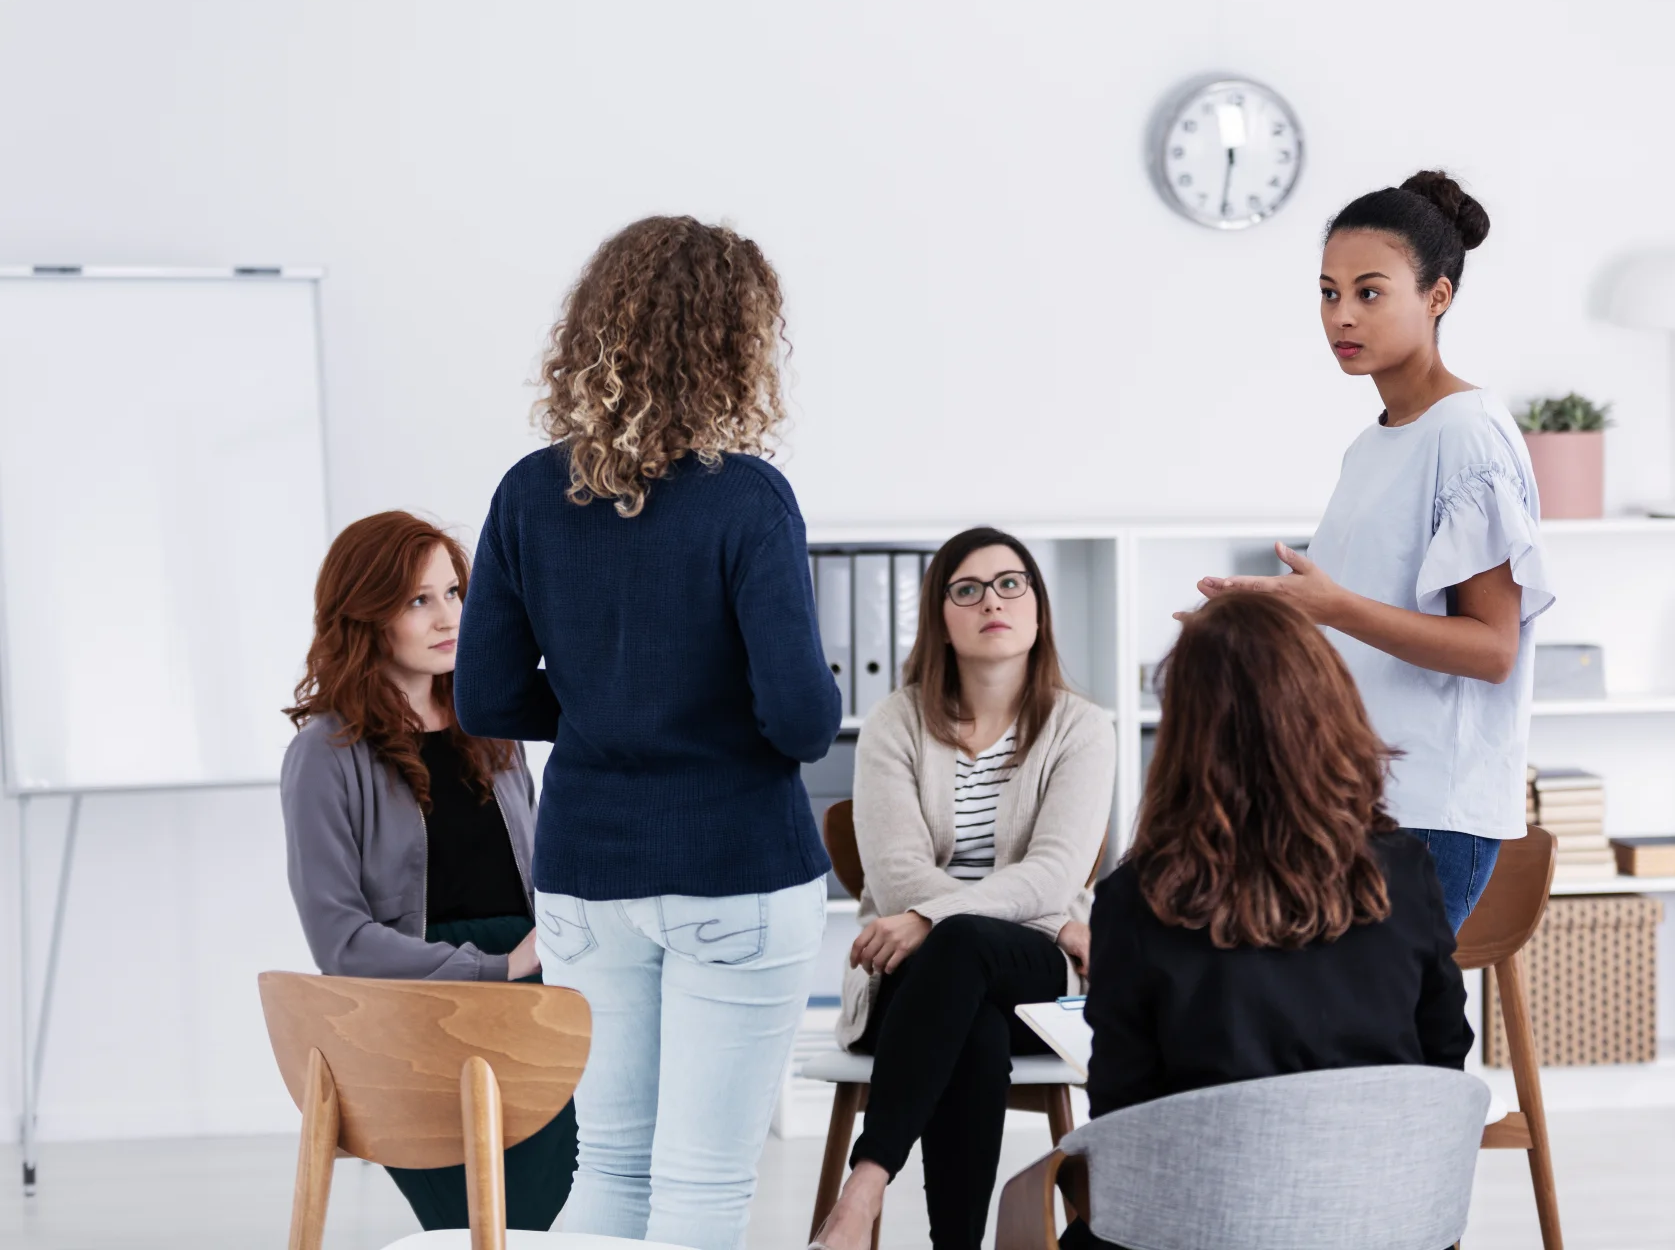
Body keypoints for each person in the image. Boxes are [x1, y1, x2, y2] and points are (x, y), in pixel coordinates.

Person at [454, 216, 842, 1250]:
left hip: (587, 878)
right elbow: (803, 719)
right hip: (738, 865)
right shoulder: (749, 498)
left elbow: (486, 697)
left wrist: (601, 709)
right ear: (735, 342)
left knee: (613, 1166)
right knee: (706, 1182)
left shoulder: (530, 492)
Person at [1193, 170, 1552, 931]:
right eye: (1328, 293)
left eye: (1368, 292)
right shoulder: (1374, 445)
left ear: (1437, 297)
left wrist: (1335, 607)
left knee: (1394, 1040)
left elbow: (1491, 649)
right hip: (1357, 796)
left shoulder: (1467, 435)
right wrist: (1260, 616)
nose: (1341, 316)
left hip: (1430, 813)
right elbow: (1350, 611)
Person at [1060, 591, 1473, 1249]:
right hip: (1386, 1230)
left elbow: (1122, 1121)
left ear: (1185, 732)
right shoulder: (1404, 874)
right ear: (1329, 707)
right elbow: (1442, 1067)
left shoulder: (1137, 900)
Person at [811, 528, 1116, 1250]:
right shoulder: (896, 722)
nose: (992, 602)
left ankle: (865, 1186)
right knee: (968, 1017)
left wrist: (931, 916)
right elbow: (893, 873)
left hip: (1034, 986)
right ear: (940, 616)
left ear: (1039, 609)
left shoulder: (1083, 728)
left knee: (966, 941)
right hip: (909, 981)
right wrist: (1039, 919)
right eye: (968, 589)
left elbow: (1055, 871)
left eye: (1012, 584)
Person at [281, 510, 574, 1233]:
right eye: (418, 600)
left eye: (454, 592)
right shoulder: (325, 752)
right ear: (367, 613)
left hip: (537, 1000)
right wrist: (496, 969)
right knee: (480, 1221)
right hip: (416, 1014)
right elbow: (339, 940)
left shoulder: (493, 725)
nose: (448, 617)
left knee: (557, 1200)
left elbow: (543, 873)